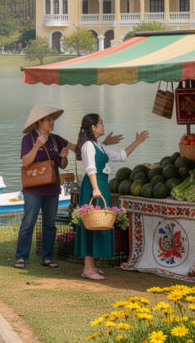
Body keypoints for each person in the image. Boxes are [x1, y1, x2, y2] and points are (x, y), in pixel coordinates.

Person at [75, 113, 149, 280]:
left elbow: (121, 156)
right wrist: (95, 188)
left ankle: (92, 265)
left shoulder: (99, 146)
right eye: (101, 123)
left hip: (101, 184)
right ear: (93, 127)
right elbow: (90, 168)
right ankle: (87, 268)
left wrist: (137, 142)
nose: (103, 125)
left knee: (99, 223)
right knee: (91, 223)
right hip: (94, 185)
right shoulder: (88, 146)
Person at [14, 105, 70, 269]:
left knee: (50, 224)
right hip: (33, 190)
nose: (52, 122)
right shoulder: (28, 139)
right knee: (28, 222)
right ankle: (21, 257)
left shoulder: (56, 139)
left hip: (52, 188)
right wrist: (37, 145)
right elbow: (25, 162)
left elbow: (63, 165)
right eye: (49, 120)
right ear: (39, 122)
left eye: (53, 120)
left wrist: (63, 156)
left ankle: (47, 257)